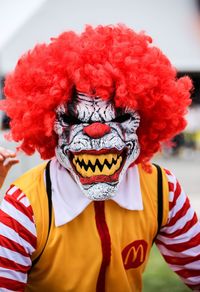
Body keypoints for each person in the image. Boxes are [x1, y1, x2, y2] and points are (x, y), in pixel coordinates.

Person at [0, 25, 199, 292]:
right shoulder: (25, 206)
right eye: (71, 118)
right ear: (49, 126)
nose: (96, 131)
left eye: (121, 116)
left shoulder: (162, 190)